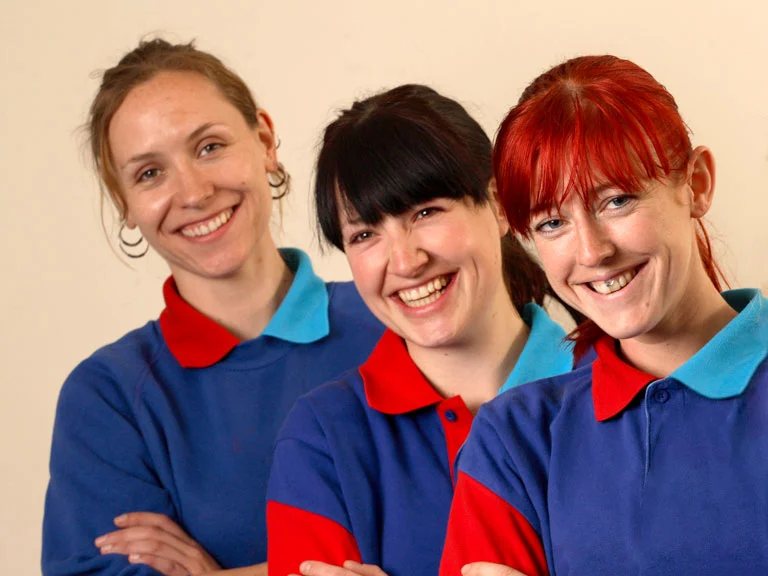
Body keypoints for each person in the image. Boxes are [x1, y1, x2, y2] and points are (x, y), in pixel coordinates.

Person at [42, 38, 384, 576]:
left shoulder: (394, 321)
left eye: (209, 147)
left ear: (264, 141)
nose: (194, 192)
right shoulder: (110, 398)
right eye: (149, 173)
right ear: (124, 203)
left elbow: (479, 533)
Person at [440, 55, 768, 576]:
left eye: (617, 201)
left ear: (697, 184)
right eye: (551, 223)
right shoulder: (515, 441)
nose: (592, 252)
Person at [266, 84, 586, 576]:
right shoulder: (321, 439)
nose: (405, 261)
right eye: (365, 234)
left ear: (499, 204)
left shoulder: (622, 390)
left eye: (426, 212)